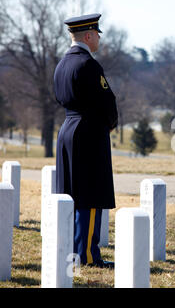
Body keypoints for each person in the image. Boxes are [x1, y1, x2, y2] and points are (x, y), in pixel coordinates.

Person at [54, 14, 117, 268]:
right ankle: (88, 256)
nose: (99, 38)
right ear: (88, 35)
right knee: (90, 195)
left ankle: (74, 250)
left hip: (68, 128)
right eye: (97, 34)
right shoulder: (89, 65)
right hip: (89, 131)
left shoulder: (61, 65)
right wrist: (109, 124)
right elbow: (107, 102)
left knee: (72, 193)